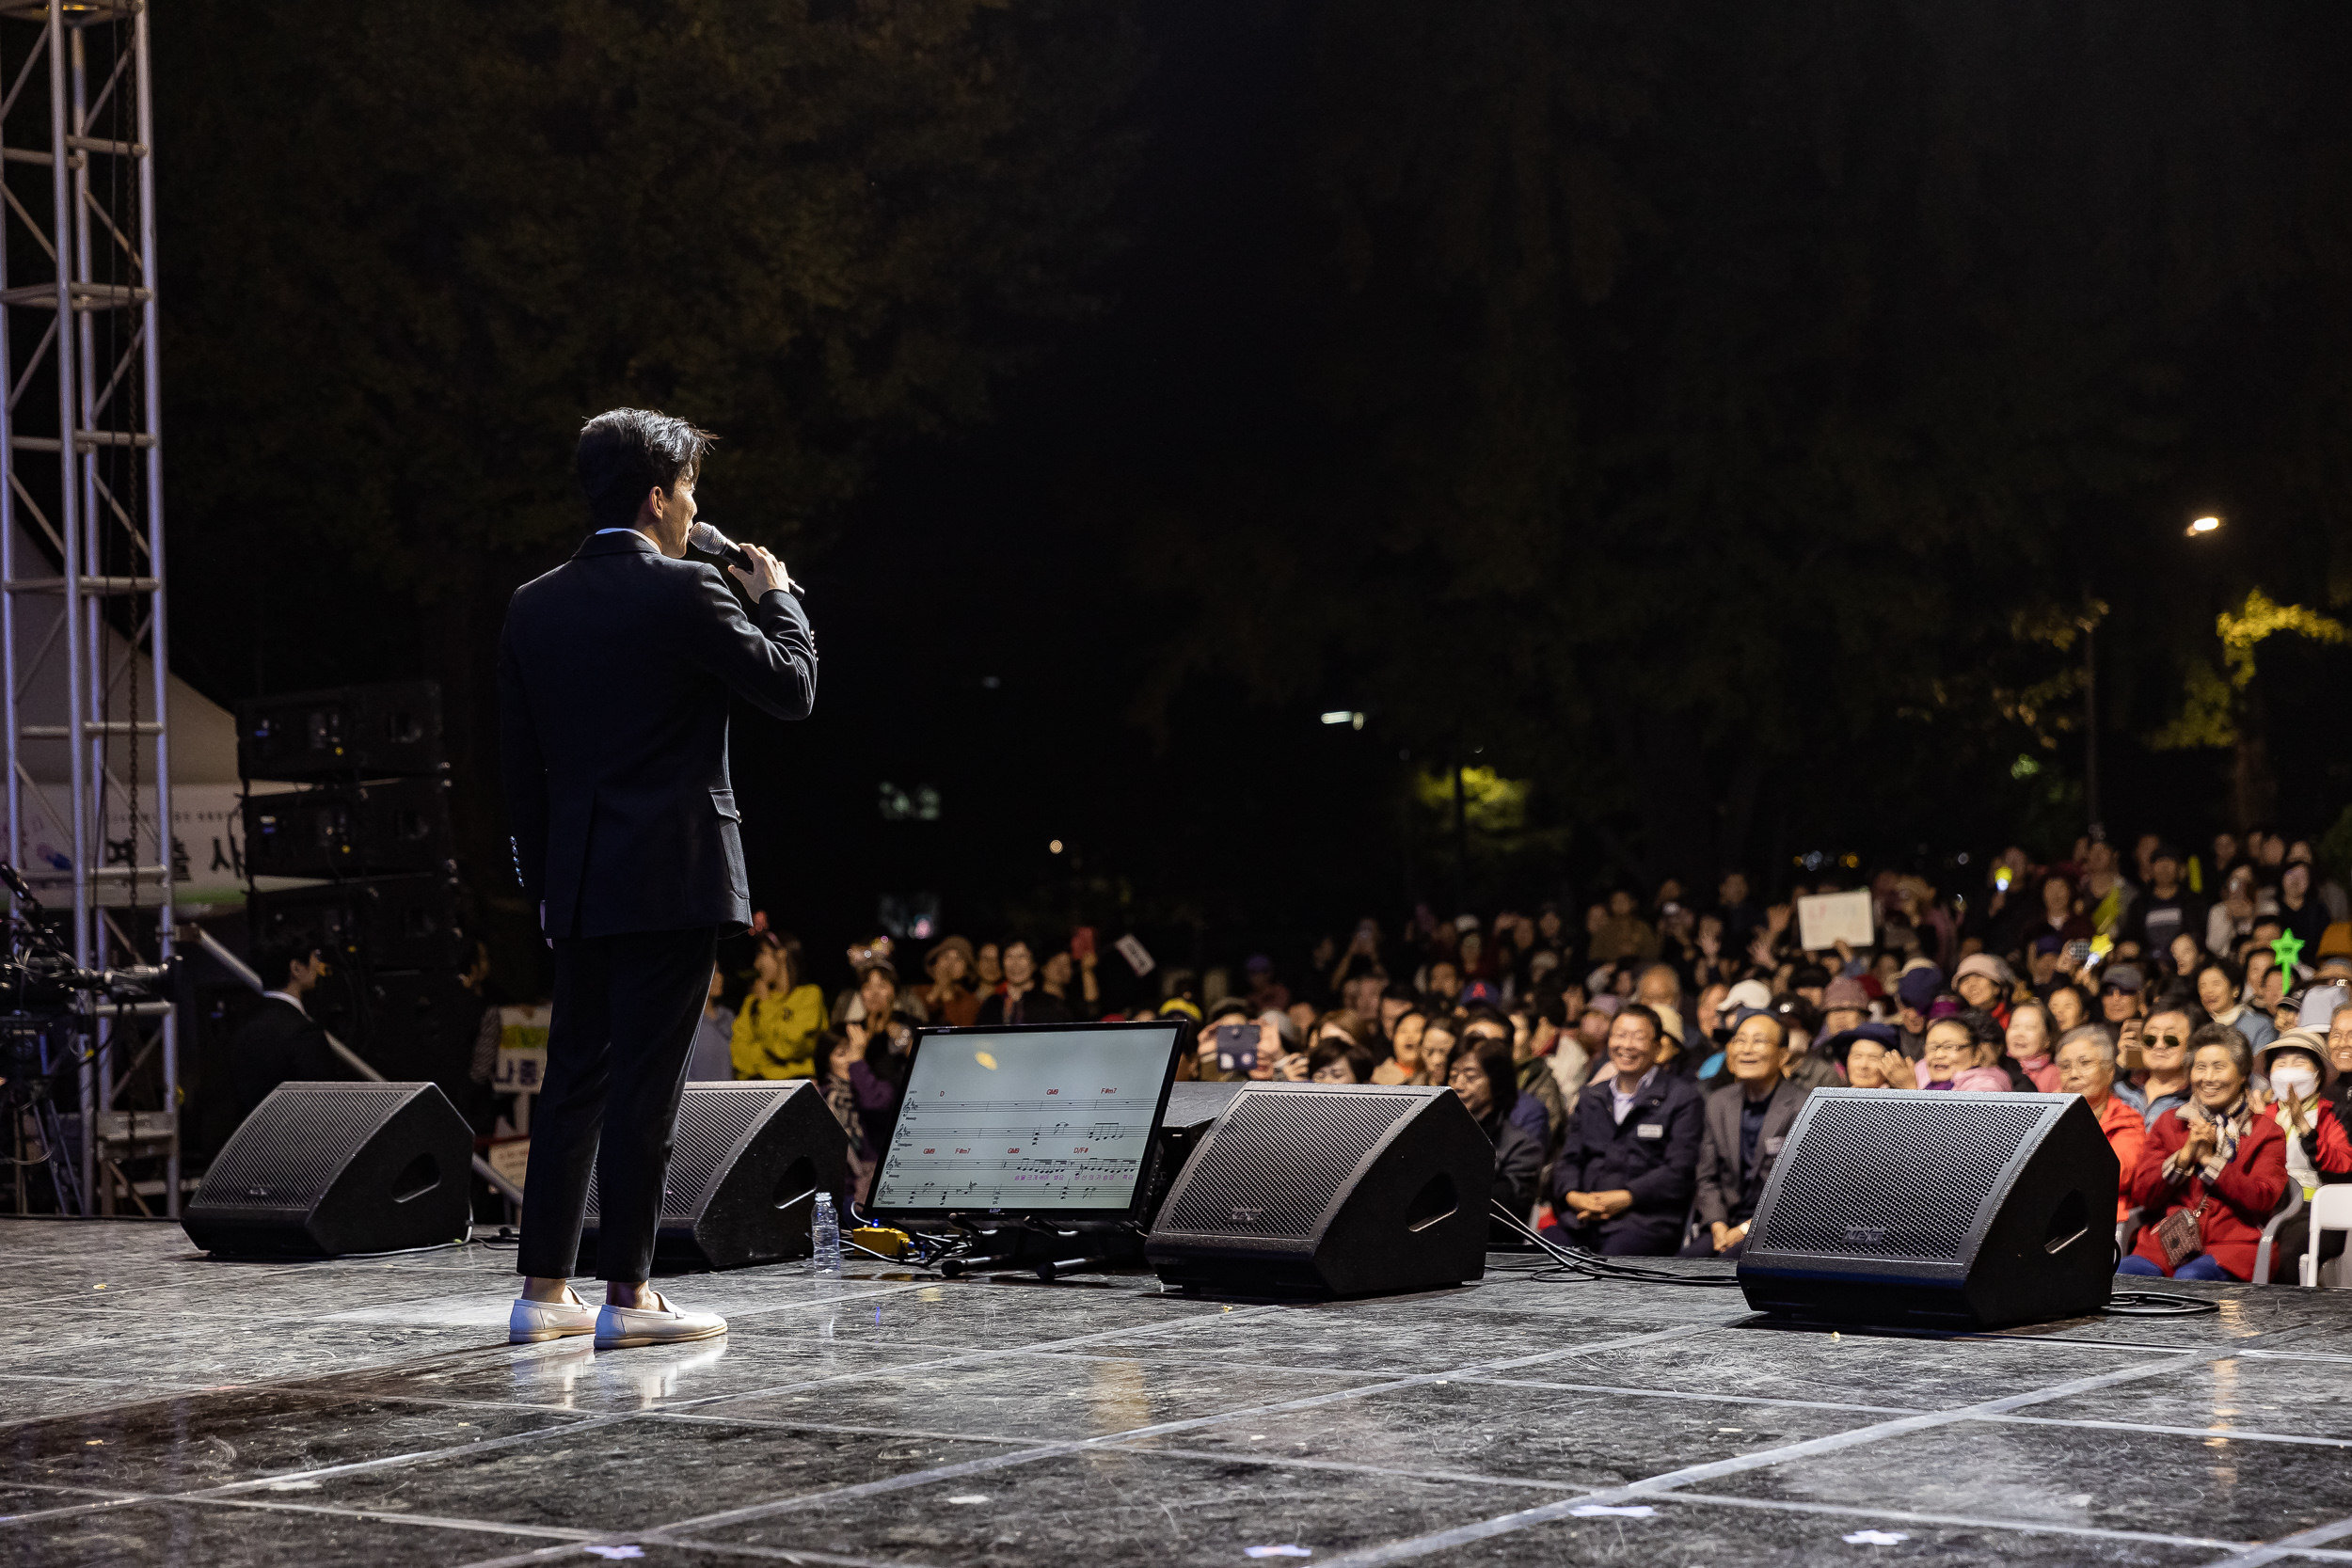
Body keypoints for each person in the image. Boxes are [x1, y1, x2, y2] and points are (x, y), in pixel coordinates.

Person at [501, 407, 814, 1350]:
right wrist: (778, 595)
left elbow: (520, 770)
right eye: (686, 493)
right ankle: (630, 1297)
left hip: (582, 875)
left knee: (573, 1084)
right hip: (675, 872)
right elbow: (793, 688)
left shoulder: (533, 603)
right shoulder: (687, 591)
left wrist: (547, 880)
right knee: (647, 1089)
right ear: (654, 496)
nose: (691, 511)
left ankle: (541, 1289)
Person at [2121, 1024, 2288, 1281]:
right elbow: (2145, 1194)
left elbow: (2262, 1199)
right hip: (2167, 1243)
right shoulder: (2170, 1123)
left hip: (2234, 1246)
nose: (2208, 1078)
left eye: (2219, 1067)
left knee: (2192, 1279)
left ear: (2243, 1073)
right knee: (2125, 1277)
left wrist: (2210, 1160)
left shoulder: (2266, 1132)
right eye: (2200, 1068)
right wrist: (2185, 1155)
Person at [1548, 1005, 1704, 1255]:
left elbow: (1679, 1171)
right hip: (1584, 1217)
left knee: (1610, 1265)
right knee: (1542, 1255)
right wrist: (1573, 1196)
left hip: (1645, 1222)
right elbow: (1568, 1159)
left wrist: (1625, 1197)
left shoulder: (1682, 1098)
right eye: (1619, 1035)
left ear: (1657, 1046)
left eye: (1638, 1037)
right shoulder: (1592, 1096)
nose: (1627, 1045)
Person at [1681, 1012, 1809, 1258]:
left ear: (1783, 1055)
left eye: (1759, 1041)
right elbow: (1706, 1177)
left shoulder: (1803, 1106)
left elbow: (1800, 1192)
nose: (1746, 1050)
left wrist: (1743, 1229)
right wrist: (1717, 1224)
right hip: (1724, 1224)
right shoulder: (1718, 1102)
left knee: (1722, 1267)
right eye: (1740, 1041)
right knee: (1677, 1269)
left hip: (1778, 1229)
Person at [228, 944, 345, 1127]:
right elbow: (323, 1110)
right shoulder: (304, 1033)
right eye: (315, 956)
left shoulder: (241, 1027)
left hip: (251, 1147)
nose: (318, 965)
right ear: (296, 968)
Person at [1441, 1033, 1541, 1235]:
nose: (1458, 1085)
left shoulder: (1521, 1146)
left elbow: (1505, 1212)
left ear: (1496, 1082)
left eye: (1471, 1077)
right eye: (1453, 1076)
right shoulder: (1434, 1134)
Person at [2053, 1023, 2143, 1220]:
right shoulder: (2050, 1118)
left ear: (2109, 1071)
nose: (2074, 1074)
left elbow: (2114, 1174)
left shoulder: (2126, 1121)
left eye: (2084, 1063)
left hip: (2100, 1219)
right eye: (2065, 1067)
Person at [731, 930, 827, 1080]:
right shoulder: (751, 1002)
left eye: (762, 954)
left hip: (797, 1083)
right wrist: (772, 1054)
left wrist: (766, 1004)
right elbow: (738, 1057)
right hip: (757, 1086)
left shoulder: (809, 995)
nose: (757, 964)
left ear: (781, 955)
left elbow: (789, 1047)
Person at [976, 939, 1071, 1025]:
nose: (1015, 963)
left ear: (1033, 963)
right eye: (1009, 956)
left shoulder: (1051, 1004)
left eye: (1022, 956)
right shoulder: (992, 1003)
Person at [2195, 957, 2275, 1053]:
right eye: (2202, 985)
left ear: (2235, 990)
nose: (2208, 991)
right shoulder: (2197, 1027)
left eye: (2216, 984)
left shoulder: (2260, 1025)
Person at [2135, 1005, 2197, 1129]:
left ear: (2191, 1044)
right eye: (2150, 1038)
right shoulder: (2121, 1091)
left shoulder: (2197, 1101)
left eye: (2170, 1038)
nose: (2159, 1045)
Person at [1915, 1015, 2009, 1091]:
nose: (1938, 1055)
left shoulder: (1986, 1086)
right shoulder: (1923, 1074)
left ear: (1976, 1055)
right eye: (1932, 1048)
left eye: (1950, 1047)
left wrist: (1911, 1091)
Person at [916, 936, 981, 1028]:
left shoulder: (971, 1002)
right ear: (935, 963)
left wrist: (947, 993)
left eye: (958, 959)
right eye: (945, 957)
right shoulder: (917, 992)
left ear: (966, 970)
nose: (950, 963)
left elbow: (959, 1032)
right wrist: (935, 993)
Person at [686, 964, 736, 1081]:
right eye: (712, 971)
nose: (719, 976)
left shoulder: (728, 1017)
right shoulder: (688, 1024)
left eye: (719, 971)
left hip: (732, 1096)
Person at [2003, 1000, 2062, 1093]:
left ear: (2048, 1039)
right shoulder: (1996, 1067)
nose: (2019, 1033)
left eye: (2030, 1027)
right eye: (2014, 1026)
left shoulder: (2054, 1075)